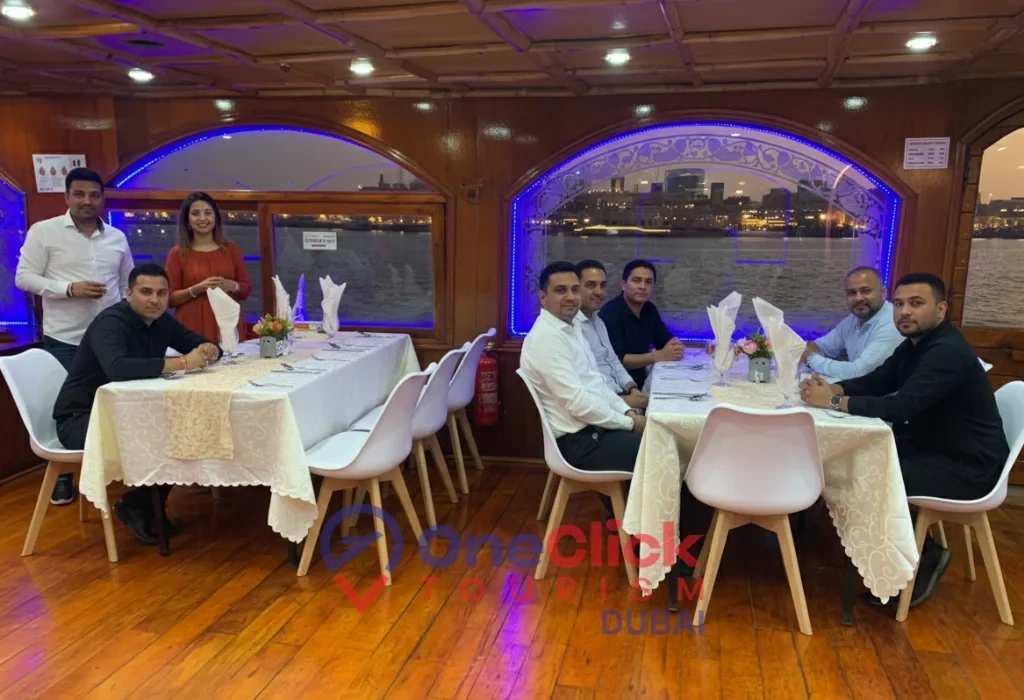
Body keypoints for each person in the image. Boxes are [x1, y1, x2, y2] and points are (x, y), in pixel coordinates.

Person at [800, 272, 1009, 608]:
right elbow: (879, 380)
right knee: (859, 461)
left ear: (941, 310)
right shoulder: (915, 345)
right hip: (935, 446)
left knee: (872, 475)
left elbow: (901, 405)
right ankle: (882, 554)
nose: (904, 312)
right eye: (899, 304)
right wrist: (835, 389)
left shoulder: (946, 351)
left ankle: (923, 559)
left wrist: (835, 403)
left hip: (967, 467)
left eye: (916, 303)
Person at [53, 263, 221, 545]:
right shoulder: (111, 322)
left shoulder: (161, 321)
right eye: (146, 292)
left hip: (126, 412)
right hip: (82, 419)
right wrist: (182, 363)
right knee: (166, 434)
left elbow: (200, 344)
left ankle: (140, 504)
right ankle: (139, 506)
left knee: (185, 426)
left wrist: (211, 349)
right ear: (129, 293)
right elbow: (118, 368)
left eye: (162, 293)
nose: (155, 300)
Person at [15, 167, 134, 506]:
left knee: (112, 405)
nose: (87, 201)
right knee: (68, 409)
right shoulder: (45, 232)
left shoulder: (116, 238)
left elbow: (127, 286)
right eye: (79, 194)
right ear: (67, 197)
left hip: (110, 341)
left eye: (94, 195)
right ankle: (64, 475)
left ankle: (113, 471)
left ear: (102, 198)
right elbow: (24, 277)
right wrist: (68, 289)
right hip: (66, 339)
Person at [520, 261, 645, 475]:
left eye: (575, 289)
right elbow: (578, 403)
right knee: (659, 453)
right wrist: (629, 423)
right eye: (561, 290)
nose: (570, 296)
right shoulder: (547, 339)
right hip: (578, 443)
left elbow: (596, 382)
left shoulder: (573, 327)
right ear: (543, 297)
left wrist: (627, 411)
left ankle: (627, 508)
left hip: (594, 428)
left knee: (662, 442)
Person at [165, 192, 251, 344]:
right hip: (192, 326)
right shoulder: (177, 253)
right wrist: (197, 289)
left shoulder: (231, 249)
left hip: (228, 324)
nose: (202, 218)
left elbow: (246, 289)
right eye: (195, 213)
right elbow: (169, 299)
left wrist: (232, 285)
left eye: (208, 213)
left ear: (216, 218)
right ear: (187, 220)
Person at [800, 266, 903, 380]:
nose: (858, 298)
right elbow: (822, 346)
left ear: (883, 293)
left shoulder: (893, 323)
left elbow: (859, 372)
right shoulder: (853, 319)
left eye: (866, 291)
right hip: (858, 391)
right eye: (852, 293)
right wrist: (806, 350)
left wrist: (811, 359)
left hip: (884, 396)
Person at [599, 259, 684, 390]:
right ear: (623, 285)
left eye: (648, 282)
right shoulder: (610, 314)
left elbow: (666, 341)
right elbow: (617, 361)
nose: (643, 287)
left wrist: (675, 347)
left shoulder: (649, 309)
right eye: (636, 280)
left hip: (642, 382)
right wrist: (658, 356)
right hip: (617, 389)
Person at [575, 259, 647, 411]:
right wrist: (626, 401)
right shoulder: (573, 329)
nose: (599, 292)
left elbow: (613, 360)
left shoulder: (598, 321)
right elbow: (586, 387)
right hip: (603, 407)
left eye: (603, 285)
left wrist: (632, 388)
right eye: (591, 285)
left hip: (620, 395)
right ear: (576, 289)